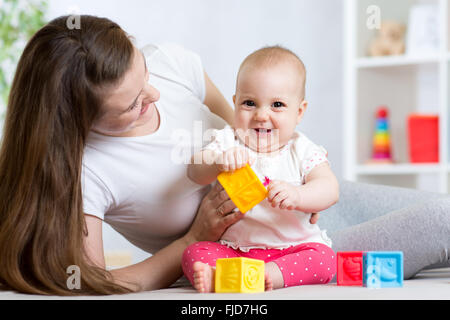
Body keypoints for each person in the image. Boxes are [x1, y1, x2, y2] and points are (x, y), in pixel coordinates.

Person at [0, 15, 448, 296]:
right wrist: (192, 240)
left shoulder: (171, 64)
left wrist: (303, 184)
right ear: (79, 123)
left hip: (315, 212)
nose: (155, 93)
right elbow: (97, 282)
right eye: (134, 103)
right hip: (273, 255)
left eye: (145, 75)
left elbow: (252, 118)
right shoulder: (87, 173)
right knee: (441, 222)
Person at [182, 46, 339, 292]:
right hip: (235, 250)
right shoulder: (228, 141)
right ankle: (221, 275)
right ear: (235, 104)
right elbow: (194, 171)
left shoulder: (301, 148)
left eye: (277, 104)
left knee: (326, 260)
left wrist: (299, 195)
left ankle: (270, 276)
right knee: (194, 252)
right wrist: (218, 162)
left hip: (292, 248)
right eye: (249, 103)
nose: (261, 115)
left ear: (299, 112)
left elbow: (329, 188)